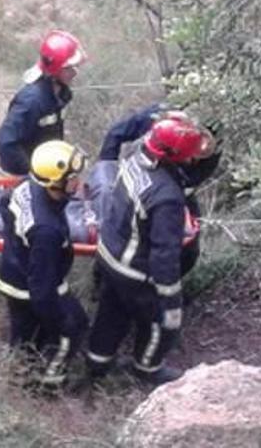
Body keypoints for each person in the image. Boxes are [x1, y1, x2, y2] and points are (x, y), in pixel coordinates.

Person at [86, 116, 216, 386]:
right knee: (160, 321)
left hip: (110, 253)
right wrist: (170, 297)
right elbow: (163, 256)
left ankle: (96, 365)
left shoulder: (135, 157)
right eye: (189, 156)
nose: (192, 161)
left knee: (112, 313)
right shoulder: (166, 196)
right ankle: (148, 368)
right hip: (135, 270)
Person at [0, 140, 90, 390]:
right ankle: (48, 385)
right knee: (71, 329)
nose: (77, 183)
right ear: (54, 183)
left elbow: (5, 206)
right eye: (72, 178)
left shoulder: (29, 185)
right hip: (29, 287)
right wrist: (57, 319)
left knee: (25, 334)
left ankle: (22, 371)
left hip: (15, 271)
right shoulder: (46, 230)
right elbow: (42, 288)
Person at [88, 104, 221, 275]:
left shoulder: (214, 143)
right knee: (123, 235)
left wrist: (179, 195)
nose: (194, 157)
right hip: (142, 179)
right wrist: (107, 171)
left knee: (187, 247)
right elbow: (116, 134)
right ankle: (105, 276)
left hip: (175, 190)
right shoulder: (158, 119)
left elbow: (198, 175)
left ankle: (167, 280)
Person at [0, 30, 86, 175]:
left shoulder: (60, 94)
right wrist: (31, 174)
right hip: (22, 175)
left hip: (46, 167)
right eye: (69, 68)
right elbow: (5, 142)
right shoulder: (32, 101)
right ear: (55, 69)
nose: (75, 73)